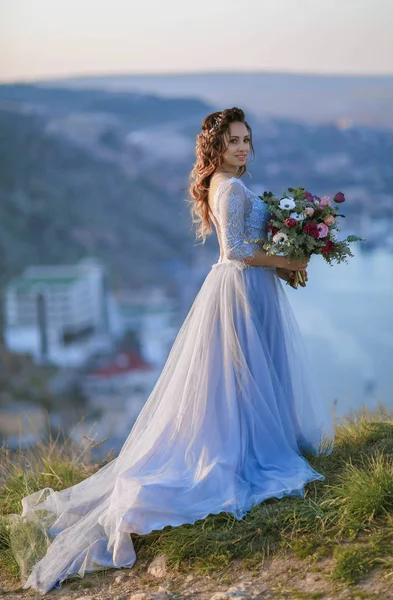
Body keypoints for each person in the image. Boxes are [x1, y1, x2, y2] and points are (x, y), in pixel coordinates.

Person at [9, 107, 334, 595]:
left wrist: (285, 267)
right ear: (216, 148)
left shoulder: (229, 184)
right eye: (234, 141)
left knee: (249, 377)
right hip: (240, 288)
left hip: (252, 287)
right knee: (242, 376)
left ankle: (259, 442)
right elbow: (240, 252)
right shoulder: (227, 187)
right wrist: (290, 257)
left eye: (247, 139)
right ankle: (245, 454)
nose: (243, 148)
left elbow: (246, 245)